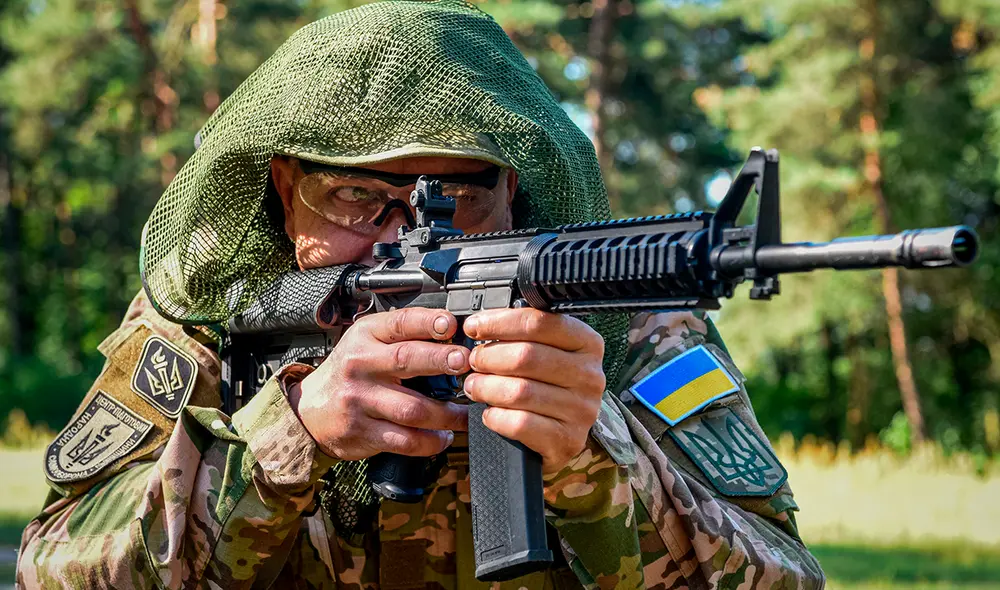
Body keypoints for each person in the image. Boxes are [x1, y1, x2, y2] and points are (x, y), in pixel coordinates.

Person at [16, 1, 825, 588]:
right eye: (354, 196)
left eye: (458, 195)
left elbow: (785, 579)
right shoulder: (210, 314)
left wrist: (592, 457)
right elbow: (56, 567)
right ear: (284, 185)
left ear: (513, 188)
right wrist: (286, 438)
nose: (404, 232)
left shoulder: (625, 324)